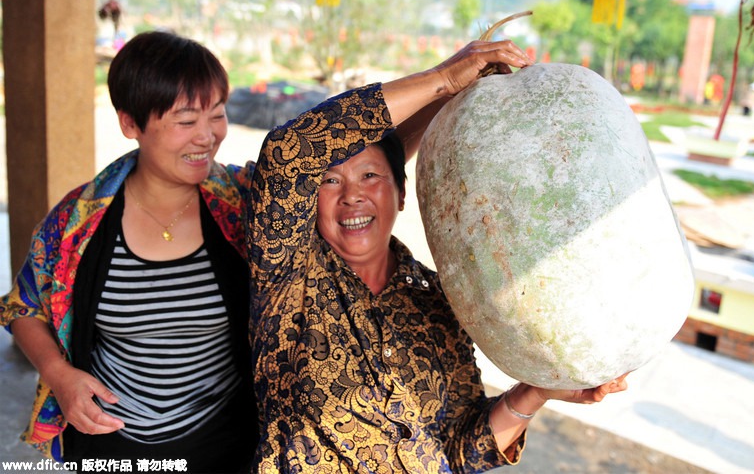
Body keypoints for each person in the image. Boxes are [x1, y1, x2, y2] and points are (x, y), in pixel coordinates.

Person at [248, 40, 629, 472]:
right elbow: (289, 153)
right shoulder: (286, 274)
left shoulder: (438, 297)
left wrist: (536, 391)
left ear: (402, 194)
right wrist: (443, 80)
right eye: (331, 181)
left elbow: (463, 449)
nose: (352, 195)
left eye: (370, 176)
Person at [0, 31, 258, 472]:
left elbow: (354, 163)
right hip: (110, 443)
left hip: (226, 441)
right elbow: (22, 307)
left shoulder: (245, 203)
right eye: (185, 120)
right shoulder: (78, 220)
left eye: (217, 115)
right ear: (130, 124)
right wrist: (60, 377)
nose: (208, 136)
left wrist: (423, 90)